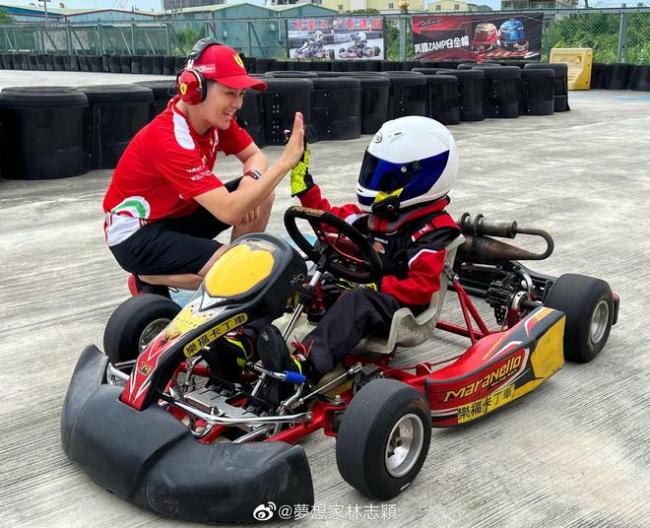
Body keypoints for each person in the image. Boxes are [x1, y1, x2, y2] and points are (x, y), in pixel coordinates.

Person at [260, 116, 461, 383]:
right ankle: (248, 341)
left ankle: (306, 365)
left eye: (387, 176)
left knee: (357, 301)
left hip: (399, 309)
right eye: (375, 170)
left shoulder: (433, 230)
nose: (377, 181)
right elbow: (326, 218)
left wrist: (373, 286)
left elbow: (420, 288)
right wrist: (303, 181)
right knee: (296, 277)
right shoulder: (371, 217)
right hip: (362, 289)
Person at [102, 38, 305, 295]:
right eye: (230, 93)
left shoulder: (216, 120)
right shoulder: (170, 138)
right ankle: (149, 276)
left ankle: (233, 278)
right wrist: (285, 163)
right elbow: (230, 211)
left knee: (261, 197)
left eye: (241, 94)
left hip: (175, 215)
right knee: (235, 271)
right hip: (135, 235)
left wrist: (250, 180)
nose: (238, 104)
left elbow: (255, 156)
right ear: (194, 89)